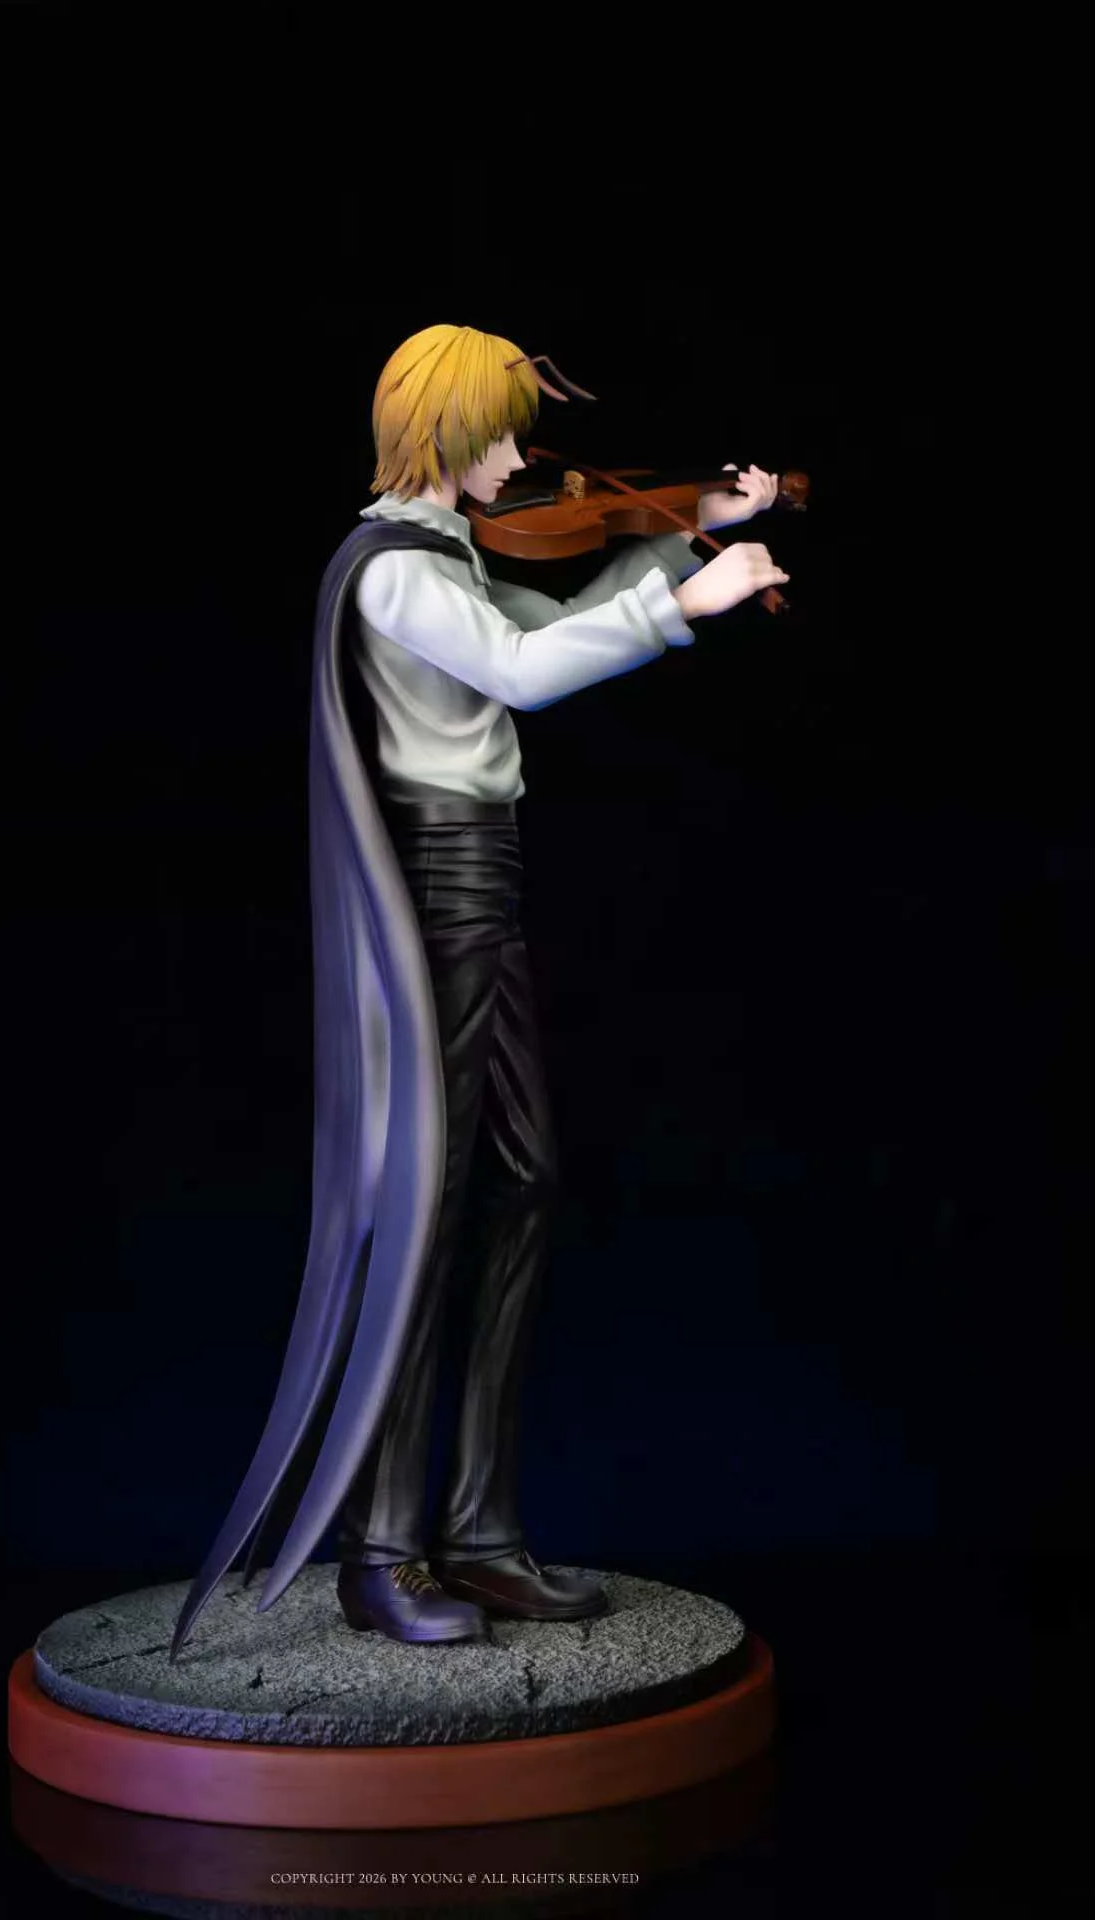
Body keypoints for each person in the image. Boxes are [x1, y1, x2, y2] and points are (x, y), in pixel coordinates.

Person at [169, 324, 788, 1657]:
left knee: (522, 1184)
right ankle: (384, 1550)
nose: (521, 454)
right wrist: (688, 604)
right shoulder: (393, 568)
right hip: (438, 887)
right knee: (433, 1204)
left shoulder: (449, 553)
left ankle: (483, 1531)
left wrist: (688, 538)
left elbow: (544, 623)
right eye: (504, 428)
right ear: (449, 430)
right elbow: (520, 671)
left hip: (485, 884)